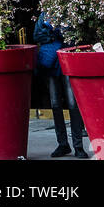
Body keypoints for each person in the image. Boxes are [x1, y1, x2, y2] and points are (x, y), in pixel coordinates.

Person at [34, 11, 88, 158]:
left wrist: (53, 33)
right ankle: (63, 144)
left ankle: (78, 146)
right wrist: (54, 35)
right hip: (51, 64)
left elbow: (71, 35)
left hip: (66, 61)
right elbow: (37, 36)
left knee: (72, 104)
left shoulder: (67, 10)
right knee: (55, 104)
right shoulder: (44, 15)